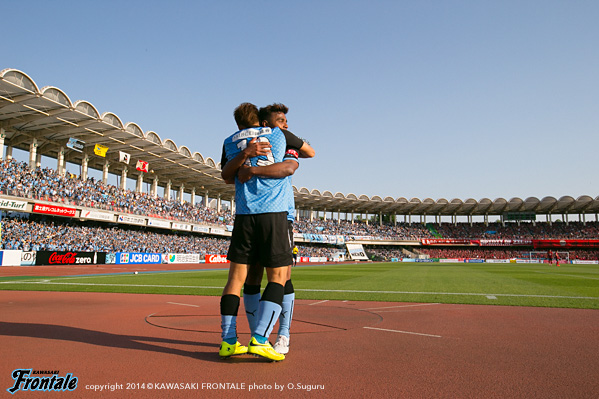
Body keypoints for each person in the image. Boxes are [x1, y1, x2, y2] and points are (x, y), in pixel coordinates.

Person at [218, 102, 304, 362]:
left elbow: (225, 176)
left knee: (236, 279)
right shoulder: (277, 135)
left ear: (238, 123)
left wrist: (245, 157)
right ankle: (261, 339)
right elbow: (298, 159)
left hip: (244, 215)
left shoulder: (229, 141)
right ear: (262, 121)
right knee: (278, 277)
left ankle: (229, 341)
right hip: (274, 213)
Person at [239, 103, 315, 355]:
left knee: (283, 276)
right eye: (279, 120)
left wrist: (252, 169)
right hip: (250, 214)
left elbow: (309, 153)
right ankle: (257, 336)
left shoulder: (285, 140)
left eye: (285, 120)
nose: (285, 124)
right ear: (263, 123)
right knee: (252, 276)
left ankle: (283, 334)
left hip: (280, 214)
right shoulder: (246, 142)